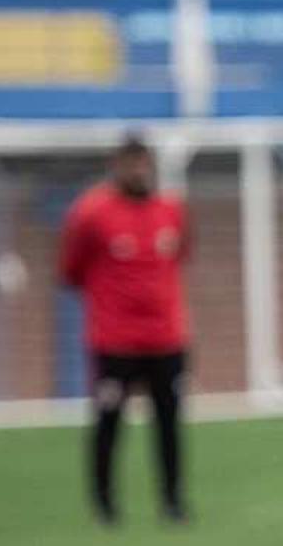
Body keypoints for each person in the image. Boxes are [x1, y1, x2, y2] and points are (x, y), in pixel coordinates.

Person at [57, 134, 193, 525]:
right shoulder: (91, 213)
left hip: (167, 338)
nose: (138, 171)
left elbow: (181, 256)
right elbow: (71, 270)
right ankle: (104, 504)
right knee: (108, 422)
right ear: (116, 166)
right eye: (130, 163)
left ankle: (172, 501)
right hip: (114, 341)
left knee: (168, 423)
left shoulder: (171, 210)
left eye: (143, 163)